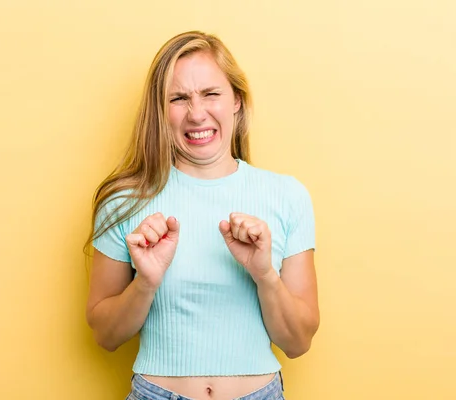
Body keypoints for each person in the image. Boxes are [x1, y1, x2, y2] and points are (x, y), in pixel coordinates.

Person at [85, 31, 319, 400]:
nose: (196, 113)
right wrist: (145, 282)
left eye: (211, 94)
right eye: (179, 98)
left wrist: (264, 275)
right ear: (161, 111)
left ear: (237, 101)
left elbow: (298, 342)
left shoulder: (287, 196)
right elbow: (106, 336)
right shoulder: (123, 201)